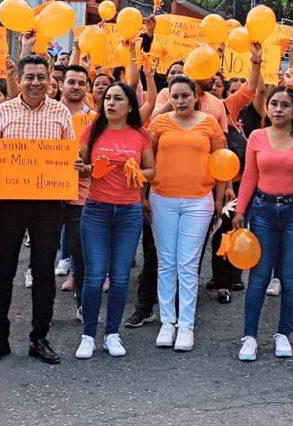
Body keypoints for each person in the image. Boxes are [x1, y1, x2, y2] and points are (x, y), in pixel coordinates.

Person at [0, 42, 75, 366]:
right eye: (29, 77)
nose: (35, 82)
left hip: (48, 204)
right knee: (3, 271)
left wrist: (73, 165)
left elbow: (70, 153)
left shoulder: (61, 111)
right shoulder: (4, 110)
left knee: (44, 272)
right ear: (18, 80)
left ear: (50, 79)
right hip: (10, 201)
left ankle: (39, 337)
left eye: (41, 77)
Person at [235, 86, 293, 361]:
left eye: (284, 105)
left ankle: (283, 334)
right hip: (263, 211)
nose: (278, 109)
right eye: (273, 104)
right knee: (260, 276)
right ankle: (249, 336)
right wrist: (240, 211)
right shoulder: (257, 136)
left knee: (289, 276)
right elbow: (249, 176)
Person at [146, 75, 228, 353]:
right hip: (162, 199)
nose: (180, 101)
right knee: (166, 262)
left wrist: (219, 200)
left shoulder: (210, 124)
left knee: (188, 264)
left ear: (196, 97)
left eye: (185, 96)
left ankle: (186, 325)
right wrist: (143, 197)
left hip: (199, 202)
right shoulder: (159, 123)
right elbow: (147, 159)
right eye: (175, 96)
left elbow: (221, 164)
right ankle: (167, 322)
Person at [74, 82, 154, 359]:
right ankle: (88, 335)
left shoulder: (141, 135)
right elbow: (79, 169)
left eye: (118, 98)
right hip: (96, 210)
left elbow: (152, 171)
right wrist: (89, 169)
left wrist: (137, 171)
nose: (111, 103)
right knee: (94, 276)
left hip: (129, 212)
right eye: (107, 98)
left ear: (130, 105)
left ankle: (112, 334)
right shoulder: (91, 131)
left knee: (120, 278)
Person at [58, 65, 95, 303]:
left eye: (81, 83)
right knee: (43, 254)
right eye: (71, 82)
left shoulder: (95, 119)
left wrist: (88, 168)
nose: (76, 87)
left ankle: (82, 303)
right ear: (62, 84)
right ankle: (44, 311)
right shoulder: (48, 112)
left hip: (80, 194)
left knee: (80, 252)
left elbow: (101, 157)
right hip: (48, 192)